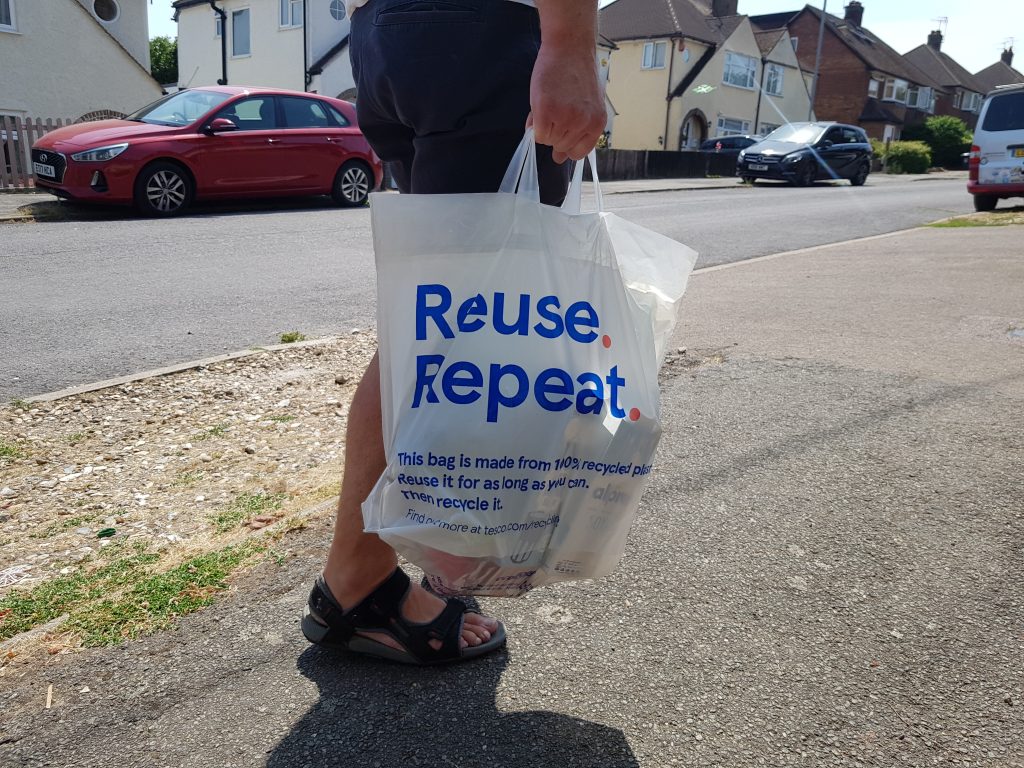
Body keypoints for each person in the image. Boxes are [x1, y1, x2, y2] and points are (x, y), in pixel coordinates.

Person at [301, 0, 607, 665]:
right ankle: (359, 580)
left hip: (387, 36)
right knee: (465, 328)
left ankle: (369, 568)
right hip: (481, 32)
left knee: (433, 328)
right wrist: (569, 45)